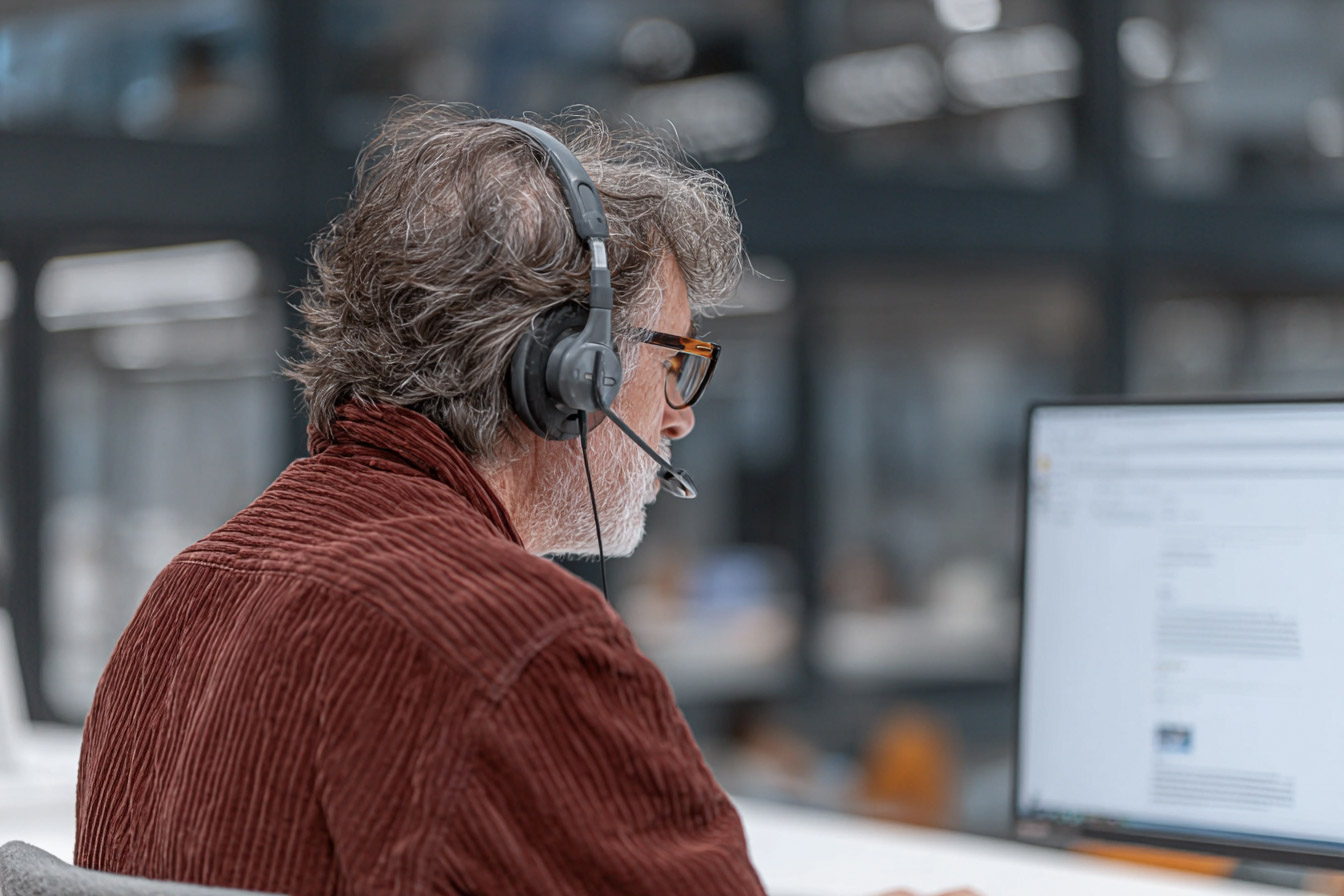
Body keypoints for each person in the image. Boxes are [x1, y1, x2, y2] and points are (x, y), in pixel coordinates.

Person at [74, 103, 974, 896]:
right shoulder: (518, 644)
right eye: (674, 364)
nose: (678, 419)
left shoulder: (188, 592)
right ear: (563, 372)